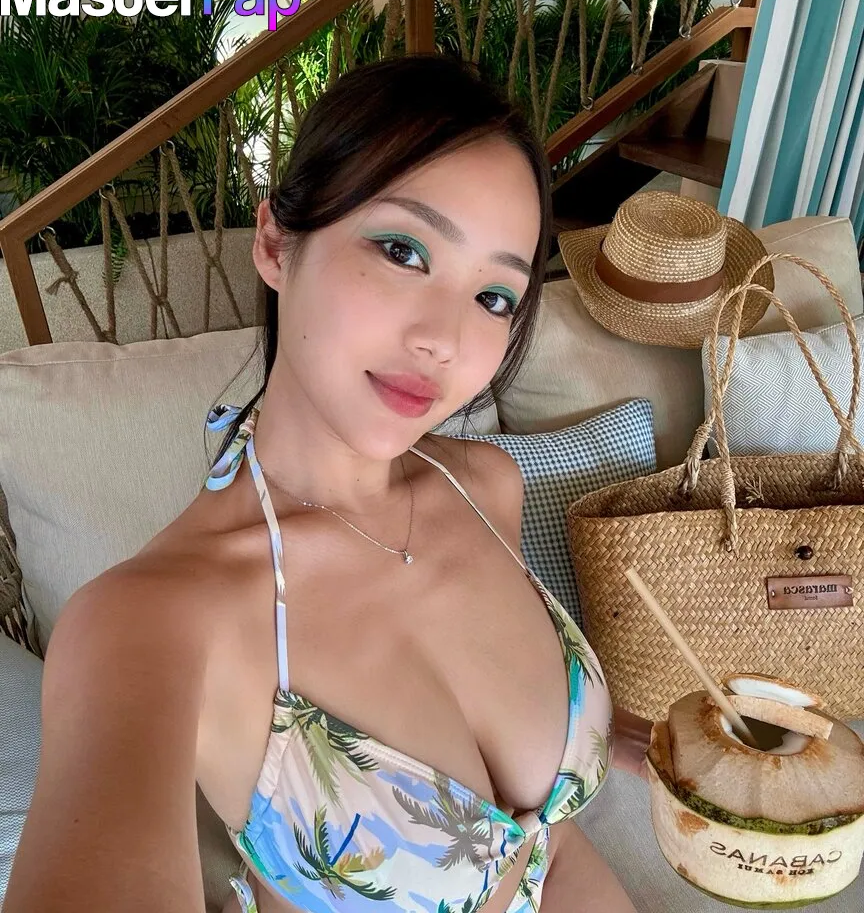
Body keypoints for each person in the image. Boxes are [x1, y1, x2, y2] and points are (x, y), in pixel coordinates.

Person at [5, 55, 650, 913]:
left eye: (495, 297)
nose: (446, 340)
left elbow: (537, 821)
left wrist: (637, 740)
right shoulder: (148, 623)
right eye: (403, 250)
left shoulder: (487, 486)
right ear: (276, 243)